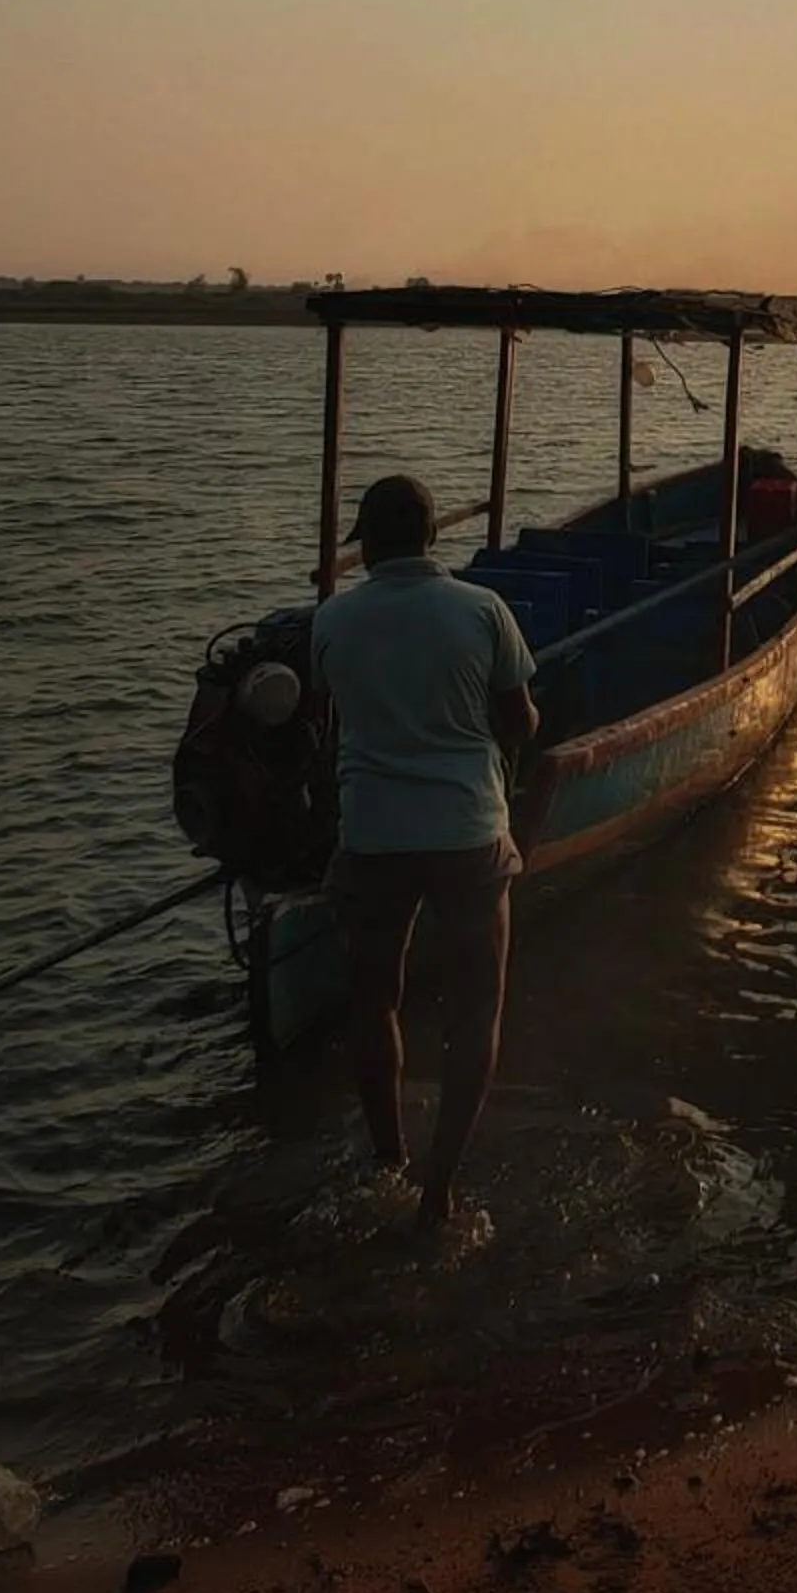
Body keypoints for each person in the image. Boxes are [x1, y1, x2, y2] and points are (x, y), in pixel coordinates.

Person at [309, 473, 536, 1235]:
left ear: (366, 544)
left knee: (375, 1002)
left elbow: (331, 721)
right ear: (434, 537)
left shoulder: (333, 621)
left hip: (372, 834)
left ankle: (388, 1163)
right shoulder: (482, 611)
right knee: (475, 1012)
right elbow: (520, 721)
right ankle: (438, 1194)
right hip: (467, 832)